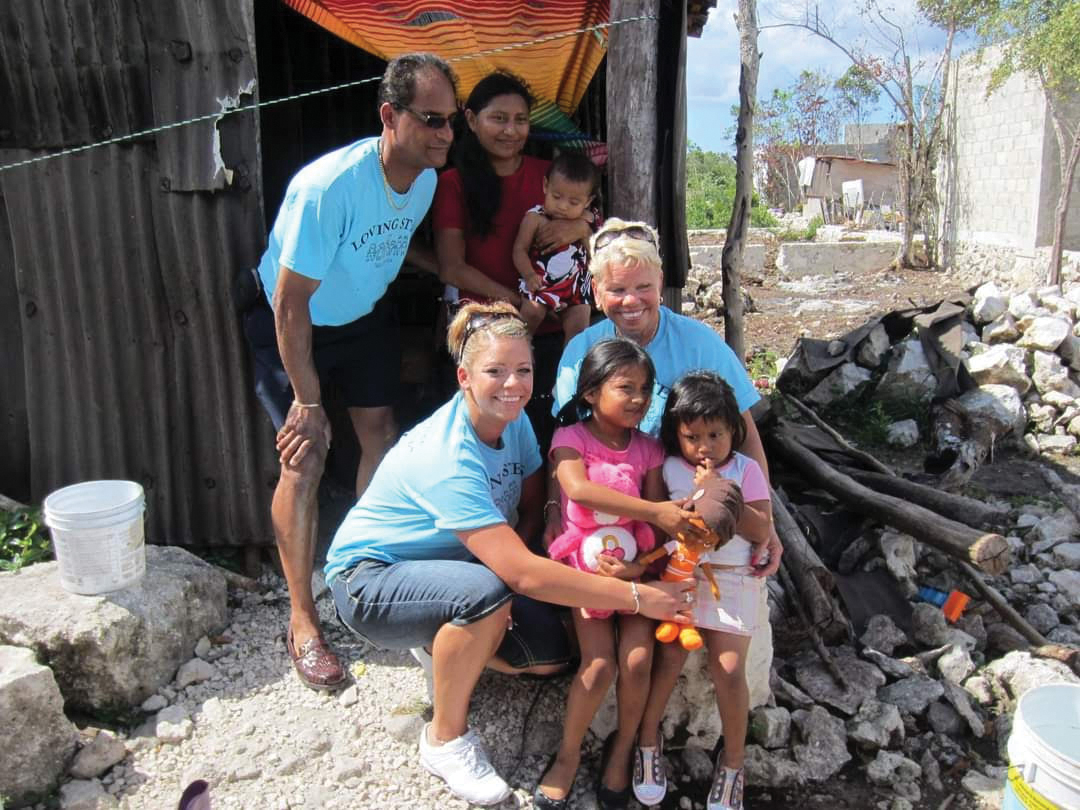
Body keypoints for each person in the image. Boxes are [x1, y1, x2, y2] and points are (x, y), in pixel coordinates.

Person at [323, 302, 700, 807]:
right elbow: (521, 573)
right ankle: (445, 738)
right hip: (371, 578)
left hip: (459, 563)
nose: (513, 384)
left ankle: (448, 640)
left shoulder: (512, 419)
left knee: (550, 655)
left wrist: (547, 520)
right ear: (464, 376)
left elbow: (532, 495)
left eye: (523, 371)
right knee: (488, 593)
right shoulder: (447, 455)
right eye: (495, 372)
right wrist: (637, 595)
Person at [244, 53, 458, 691]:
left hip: (362, 316)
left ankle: (366, 571)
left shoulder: (423, 179)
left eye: (452, 121)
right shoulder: (327, 188)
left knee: (380, 429)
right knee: (304, 453)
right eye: (431, 120)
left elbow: (388, 243)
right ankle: (302, 617)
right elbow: (289, 302)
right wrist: (307, 401)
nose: (446, 134)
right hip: (293, 318)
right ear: (389, 116)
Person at [551, 218, 784, 574]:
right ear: (596, 291)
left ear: (660, 283)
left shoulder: (699, 343)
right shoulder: (581, 352)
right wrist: (554, 510)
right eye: (616, 289)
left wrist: (765, 523)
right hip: (602, 523)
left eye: (643, 286)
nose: (631, 301)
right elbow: (563, 442)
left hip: (692, 511)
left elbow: (746, 435)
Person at [537, 338, 699, 810]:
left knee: (635, 661)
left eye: (646, 389)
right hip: (584, 568)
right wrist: (655, 509)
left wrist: (637, 566)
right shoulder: (571, 439)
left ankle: (623, 749)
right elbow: (579, 491)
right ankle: (567, 755)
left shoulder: (647, 448)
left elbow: (651, 528)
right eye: (624, 387)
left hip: (632, 570)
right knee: (600, 663)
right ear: (590, 392)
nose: (638, 399)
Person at [633, 371, 773, 810]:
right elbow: (657, 524)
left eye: (716, 434)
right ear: (676, 434)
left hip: (733, 576)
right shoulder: (669, 467)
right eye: (692, 436)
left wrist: (721, 494)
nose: (705, 447)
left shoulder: (745, 469)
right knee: (669, 656)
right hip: (682, 576)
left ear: (734, 429)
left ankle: (733, 764)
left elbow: (762, 528)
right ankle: (647, 741)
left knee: (729, 668)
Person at [512, 152, 599, 340]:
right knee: (530, 316)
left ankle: (573, 368)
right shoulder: (535, 218)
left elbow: (597, 254)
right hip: (541, 284)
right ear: (545, 186)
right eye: (556, 196)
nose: (563, 206)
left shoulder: (589, 221)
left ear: (588, 201)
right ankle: (520, 357)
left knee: (579, 330)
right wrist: (528, 275)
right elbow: (519, 250)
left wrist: (584, 230)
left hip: (576, 288)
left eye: (574, 202)